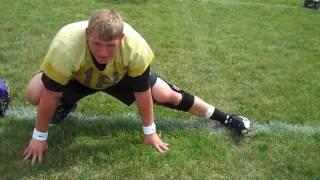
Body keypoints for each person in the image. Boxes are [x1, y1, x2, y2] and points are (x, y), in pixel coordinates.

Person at [23, 9, 251, 165]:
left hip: (118, 76)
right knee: (35, 93)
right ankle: (66, 104)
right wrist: (39, 136)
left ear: (121, 38)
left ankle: (226, 118)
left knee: (166, 94)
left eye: (110, 46)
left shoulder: (135, 46)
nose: (103, 52)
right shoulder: (66, 45)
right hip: (78, 76)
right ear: (87, 34)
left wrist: (149, 133)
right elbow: (51, 94)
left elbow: (142, 93)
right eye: (96, 44)